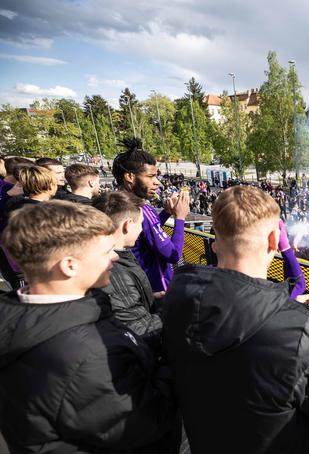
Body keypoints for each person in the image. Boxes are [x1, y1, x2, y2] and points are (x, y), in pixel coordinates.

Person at [162, 185, 309, 454]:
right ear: (275, 240)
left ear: (216, 241)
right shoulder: (300, 330)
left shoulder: (176, 299)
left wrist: (288, 311)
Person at [0, 201, 179, 453]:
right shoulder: (85, 356)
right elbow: (146, 421)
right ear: (69, 265)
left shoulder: (22, 314)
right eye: (106, 251)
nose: (115, 256)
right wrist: (177, 355)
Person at [112, 138, 189, 292]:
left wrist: (166, 213)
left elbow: (144, 234)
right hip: (158, 290)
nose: (157, 182)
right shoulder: (141, 210)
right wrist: (180, 217)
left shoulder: (113, 201)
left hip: (135, 286)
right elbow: (173, 255)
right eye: (150, 176)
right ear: (130, 177)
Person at [92, 191, 164, 350]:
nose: (141, 230)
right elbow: (141, 330)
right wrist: (174, 306)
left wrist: (150, 297)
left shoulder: (118, 259)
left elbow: (122, 303)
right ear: (127, 225)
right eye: (141, 224)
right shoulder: (113, 270)